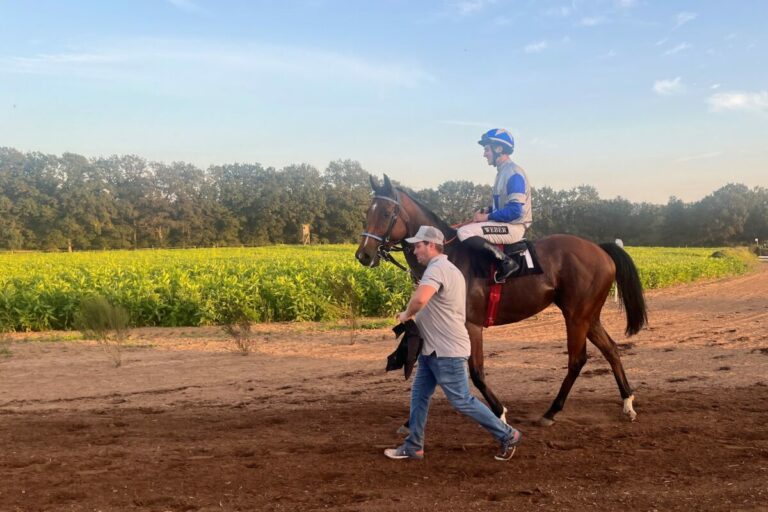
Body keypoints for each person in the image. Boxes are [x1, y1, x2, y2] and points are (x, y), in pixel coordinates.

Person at [384, 225, 522, 461]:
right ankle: (413, 445)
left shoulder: (437, 269)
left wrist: (406, 314)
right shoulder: (448, 269)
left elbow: (420, 299)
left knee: (461, 400)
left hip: (447, 350)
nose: (414, 251)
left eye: (418, 246)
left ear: (431, 246)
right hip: (433, 349)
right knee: (419, 395)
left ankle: (508, 435)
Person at [457, 128, 532, 283]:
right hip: (505, 223)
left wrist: (486, 216)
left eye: (486, 149)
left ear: (498, 149)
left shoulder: (513, 173)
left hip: (514, 226)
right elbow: (505, 206)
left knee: (464, 232)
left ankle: (506, 263)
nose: (484, 154)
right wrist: (489, 210)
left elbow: (516, 211)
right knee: (458, 229)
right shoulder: (502, 172)